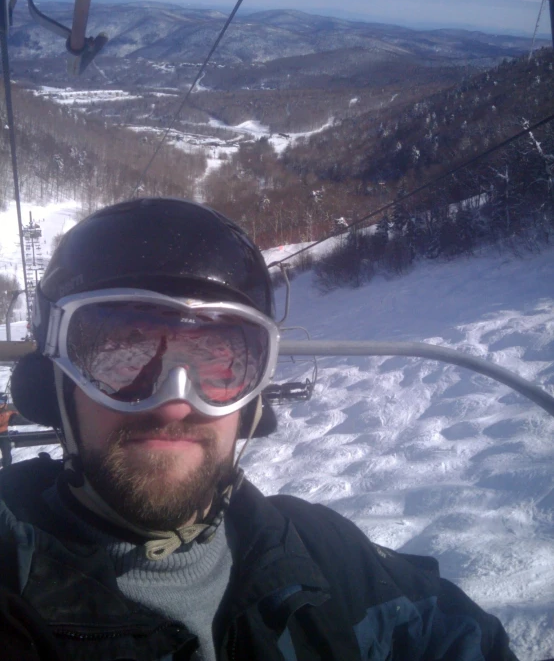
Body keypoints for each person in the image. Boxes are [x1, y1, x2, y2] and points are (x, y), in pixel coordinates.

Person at [1, 197, 518, 661]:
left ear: (253, 399)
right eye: (119, 353)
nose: (174, 405)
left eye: (219, 362)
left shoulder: (322, 554)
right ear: (55, 379)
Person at [0, 400, 16, 468]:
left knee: (6, 449)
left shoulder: (8, 409)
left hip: (3, 433)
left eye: (1, 402)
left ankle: (7, 467)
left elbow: (16, 411)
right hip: (3, 432)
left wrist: (13, 416)